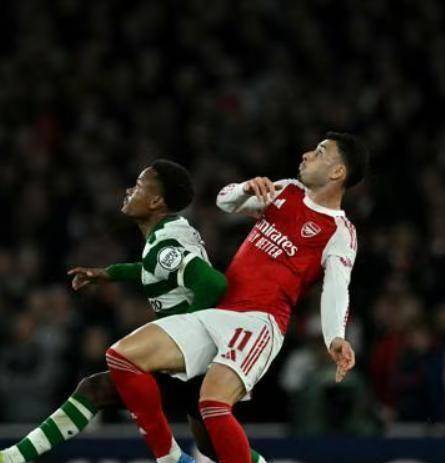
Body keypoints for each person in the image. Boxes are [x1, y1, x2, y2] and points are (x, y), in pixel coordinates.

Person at [0, 159, 267, 463]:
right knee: (214, 447)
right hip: (201, 358)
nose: (129, 191)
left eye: (138, 186)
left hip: (192, 360)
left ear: (156, 201)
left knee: (102, 383)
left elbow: (213, 283)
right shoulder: (170, 234)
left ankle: (11, 459)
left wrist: (185, 333)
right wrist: (109, 273)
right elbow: (154, 269)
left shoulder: (164, 244)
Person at [103, 133, 368, 463]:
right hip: (218, 312)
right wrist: (245, 188)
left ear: (338, 172)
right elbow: (224, 201)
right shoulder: (287, 190)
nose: (306, 154)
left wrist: (335, 338)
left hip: (259, 322)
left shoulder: (340, 232)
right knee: (123, 356)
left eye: (319, 152)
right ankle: (170, 458)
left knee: (212, 404)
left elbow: (337, 288)